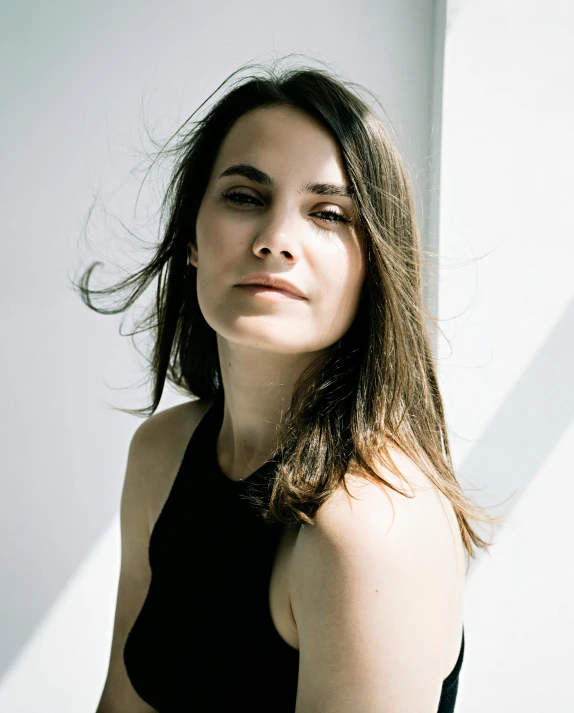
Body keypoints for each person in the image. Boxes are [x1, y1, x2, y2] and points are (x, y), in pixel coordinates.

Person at [78, 59, 502, 713]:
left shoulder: (365, 527)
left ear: (374, 263)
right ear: (192, 236)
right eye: (246, 198)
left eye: (328, 213)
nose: (277, 240)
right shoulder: (162, 452)